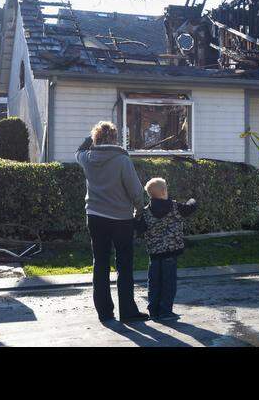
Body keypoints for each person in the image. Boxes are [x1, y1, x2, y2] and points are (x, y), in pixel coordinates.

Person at [77, 121, 149, 323]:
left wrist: (89, 140)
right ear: (115, 139)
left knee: (100, 263)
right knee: (124, 265)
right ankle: (127, 311)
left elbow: (78, 151)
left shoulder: (87, 158)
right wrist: (139, 209)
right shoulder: (122, 160)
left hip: (94, 217)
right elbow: (135, 190)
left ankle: (104, 312)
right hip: (121, 219)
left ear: (96, 139)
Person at [134, 178, 198, 322]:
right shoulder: (175, 207)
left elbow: (140, 228)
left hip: (154, 254)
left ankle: (153, 310)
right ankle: (165, 311)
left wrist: (134, 218)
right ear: (164, 192)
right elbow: (191, 207)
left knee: (154, 282)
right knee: (168, 282)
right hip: (170, 252)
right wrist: (193, 200)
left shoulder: (145, 212)